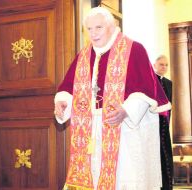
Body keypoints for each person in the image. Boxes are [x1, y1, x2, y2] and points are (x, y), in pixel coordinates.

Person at [54, 7, 171, 190]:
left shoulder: (134, 49)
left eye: (98, 27)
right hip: (92, 132)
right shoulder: (84, 56)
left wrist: (126, 110)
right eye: (89, 29)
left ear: (112, 26)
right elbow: (69, 87)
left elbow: (147, 91)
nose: (93, 33)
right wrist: (63, 102)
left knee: (123, 179)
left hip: (124, 130)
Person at [154, 55, 173, 190]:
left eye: (166, 65)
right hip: (153, 125)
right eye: (161, 64)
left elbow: (169, 105)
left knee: (166, 155)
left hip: (164, 126)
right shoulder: (150, 80)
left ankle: (167, 186)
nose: (164, 67)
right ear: (155, 65)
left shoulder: (168, 83)